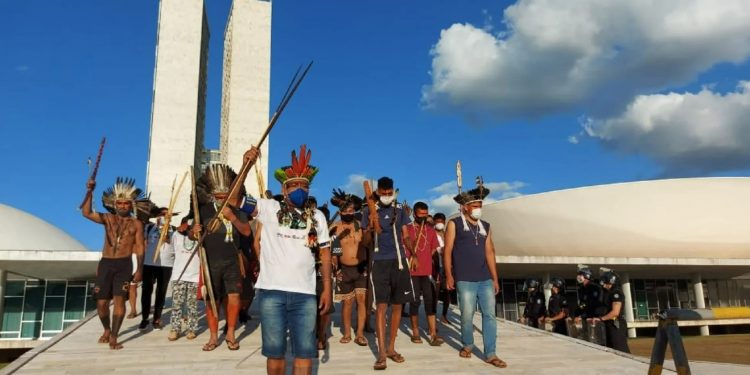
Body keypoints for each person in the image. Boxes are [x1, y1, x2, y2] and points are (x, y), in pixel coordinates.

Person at [253, 145, 331, 375]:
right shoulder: (268, 208)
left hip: (306, 294)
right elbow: (234, 200)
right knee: (275, 352)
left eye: (304, 185)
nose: (300, 189)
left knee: (304, 353)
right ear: (284, 189)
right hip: (271, 292)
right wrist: (246, 165)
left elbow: (324, 252)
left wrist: (326, 288)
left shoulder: (317, 216)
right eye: (294, 185)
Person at [191, 150, 256, 352]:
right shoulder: (202, 210)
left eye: (224, 195)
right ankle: (212, 336)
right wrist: (195, 231)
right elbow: (194, 233)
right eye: (217, 196)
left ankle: (230, 332)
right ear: (211, 195)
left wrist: (232, 216)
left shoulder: (236, 208)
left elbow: (246, 232)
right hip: (210, 261)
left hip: (232, 260)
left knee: (234, 295)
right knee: (211, 299)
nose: (220, 198)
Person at [81, 177, 151, 349]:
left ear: (131, 204)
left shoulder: (137, 224)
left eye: (126, 203)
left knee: (120, 302)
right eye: (119, 203)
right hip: (106, 263)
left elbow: (141, 247)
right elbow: (86, 213)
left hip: (124, 264)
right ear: (115, 204)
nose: (122, 206)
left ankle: (114, 335)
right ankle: (106, 329)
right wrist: (90, 191)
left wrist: (140, 268)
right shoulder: (107, 218)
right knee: (101, 303)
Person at [444, 179, 507, 368]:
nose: (479, 209)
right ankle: (468, 344)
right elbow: (447, 250)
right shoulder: (454, 224)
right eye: (475, 206)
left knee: (489, 316)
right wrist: (449, 275)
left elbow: (490, 252)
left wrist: (495, 278)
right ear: (465, 208)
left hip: (485, 278)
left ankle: (491, 353)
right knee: (466, 315)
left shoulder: (485, 226)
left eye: (480, 205)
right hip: (464, 278)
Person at [363, 176, 413, 370]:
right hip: (380, 262)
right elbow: (366, 242)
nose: (386, 196)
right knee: (382, 307)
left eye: (389, 193)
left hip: (399, 261)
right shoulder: (369, 209)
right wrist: (368, 229)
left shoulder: (399, 210)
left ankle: (391, 348)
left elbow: (406, 235)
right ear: (377, 192)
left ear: (393, 191)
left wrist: (413, 254)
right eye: (383, 193)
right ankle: (381, 353)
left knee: (398, 305)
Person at [329, 189, 368, 347]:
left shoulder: (360, 226)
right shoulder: (336, 228)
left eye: (352, 210)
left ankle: (359, 333)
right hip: (344, 269)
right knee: (347, 303)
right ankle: (346, 333)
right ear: (340, 212)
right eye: (346, 210)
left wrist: (367, 267)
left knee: (361, 301)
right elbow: (333, 251)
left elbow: (367, 246)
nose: (349, 213)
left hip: (361, 268)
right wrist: (335, 270)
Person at [404, 202, 443, 346]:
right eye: (421, 215)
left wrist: (426, 260)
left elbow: (434, 249)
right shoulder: (407, 229)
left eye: (426, 215)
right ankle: (415, 331)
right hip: (412, 271)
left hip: (427, 271)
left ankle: (433, 334)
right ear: (414, 214)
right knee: (414, 302)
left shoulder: (430, 230)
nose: (423, 217)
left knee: (430, 301)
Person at [165, 216, 201, 341]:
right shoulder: (175, 235)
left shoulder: (199, 236)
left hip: (194, 276)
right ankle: (175, 329)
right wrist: (165, 226)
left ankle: (191, 328)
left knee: (192, 305)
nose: (183, 226)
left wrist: (197, 233)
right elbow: (169, 247)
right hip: (178, 275)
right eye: (182, 223)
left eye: (186, 224)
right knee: (177, 304)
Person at [139, 207, 175, 331]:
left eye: (166, 215)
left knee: (161, 291)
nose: (163, 217)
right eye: (161, 214)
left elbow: (175, 244)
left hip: (166, 265)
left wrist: (167, 238)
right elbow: (142, 243)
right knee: (146, 291)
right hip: (149, 263)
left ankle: (157, 318)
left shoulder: (174, 230)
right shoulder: (149, 228)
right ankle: (144, 318)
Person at [593, 271, 631, 353]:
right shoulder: (607, 293)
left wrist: (601, 319)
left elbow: (615, 312)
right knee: (611, 349)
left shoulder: (616, 293)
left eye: (606, 283)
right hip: (609, 324)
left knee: (620, 348)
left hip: (616, 324)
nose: (603, 285)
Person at [573, 266, 604, 342]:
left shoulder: (594, 288)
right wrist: (576, 315)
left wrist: (582, 316)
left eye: (580, 275)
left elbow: (594, 304)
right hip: (585, 319)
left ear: (587, 276)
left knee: (595, 340)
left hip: (594, 319)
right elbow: (583, 304)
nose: (578, 277)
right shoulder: (582, 289)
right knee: (585, 340)